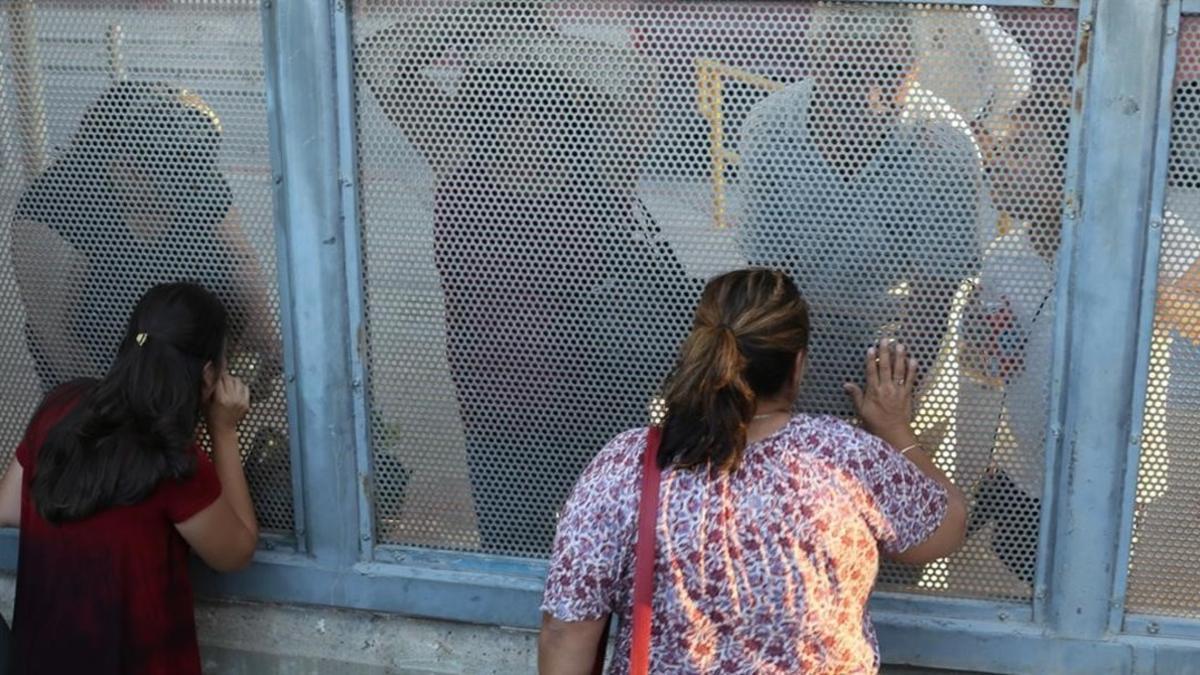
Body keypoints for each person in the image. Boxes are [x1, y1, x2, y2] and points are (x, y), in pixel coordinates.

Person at [361, 6, 698, 555]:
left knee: (603, 557)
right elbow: (379, 60)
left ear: (569, 113)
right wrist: (490, 22)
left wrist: (534, 41)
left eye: (544, 107)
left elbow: (642, 78)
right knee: (512, 557)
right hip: (495, 418)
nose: (529, 127)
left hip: (597, 413)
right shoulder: (461, 167)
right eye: (512, 107)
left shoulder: (601, 176)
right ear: (488, 114)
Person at [540, 269, 967, 674]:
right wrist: (892, 427)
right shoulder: (842, 456)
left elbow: (568, 629)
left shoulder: (627, 464)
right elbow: (946, 527)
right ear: (798, 365)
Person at [736, 8, 992, 419]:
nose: (869, 93)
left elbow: (932, 301)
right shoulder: (769, 127)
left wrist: (887, 409)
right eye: (848, 70)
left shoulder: (946, 145)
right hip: (798, 345)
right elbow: (770, 281)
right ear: (816, 58)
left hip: (906, 353)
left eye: (889, 72)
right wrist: (780, 391)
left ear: (915, 68)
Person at [0, 282, 260, 674]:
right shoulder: (173, 458)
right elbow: (235, 552)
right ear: (208, 375)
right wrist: (224, 431)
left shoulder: (60, 407)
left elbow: (7, 506)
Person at [10, 80, 279, 399]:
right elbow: (58, 343)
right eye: (162, 184)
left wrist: (272, 350)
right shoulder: (52, 210)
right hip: (102, 389)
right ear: (122, 168)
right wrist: (133, 420)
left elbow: (241, 263)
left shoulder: (193, 175)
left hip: (194, 367)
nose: (179, 199)